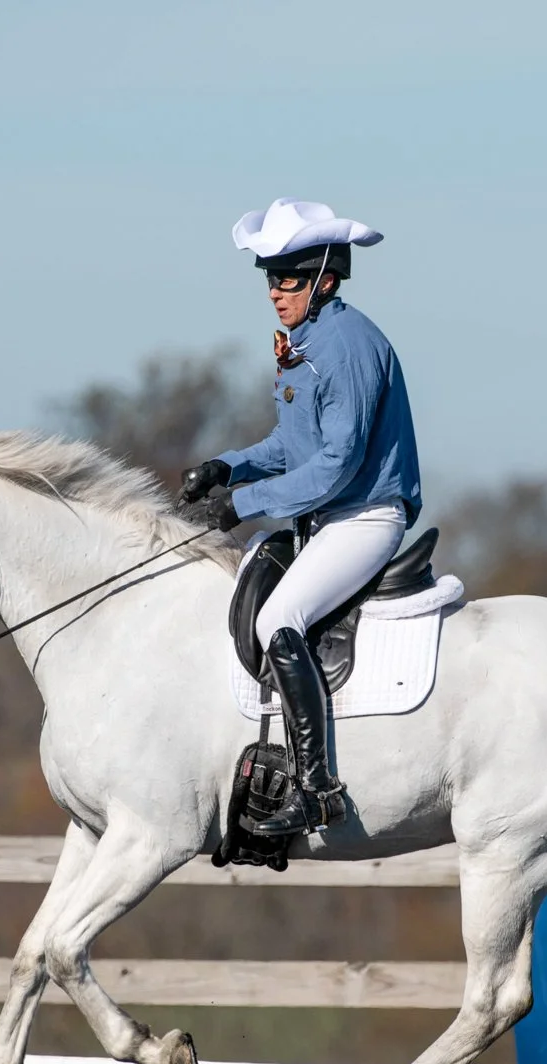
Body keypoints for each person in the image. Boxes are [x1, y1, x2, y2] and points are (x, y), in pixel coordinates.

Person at [181, 198, 424, 838]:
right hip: (329, 518)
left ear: (326, 277)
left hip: (365, 516)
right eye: (268, 276)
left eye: (287, 277)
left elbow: (337, 466)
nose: (274, 292)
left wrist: (244, 505)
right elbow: (293, 448)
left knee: (278, 618)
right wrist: (227, 468)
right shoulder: (311, 339)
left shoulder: (344, 345)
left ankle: (317, 790)